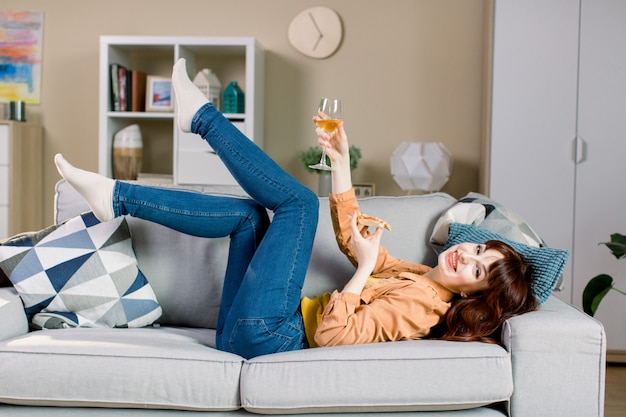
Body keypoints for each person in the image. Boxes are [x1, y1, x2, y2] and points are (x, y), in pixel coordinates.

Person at [55, 58, 537, 360]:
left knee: (299, 204)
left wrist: (364, 269)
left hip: (272, 337)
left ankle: (201, 119)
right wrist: (341, 165)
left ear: (472, 293)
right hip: (245, 333)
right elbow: (352, 237)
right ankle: (116, 196)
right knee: (249, 216)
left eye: (477, 270)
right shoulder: (418, 276)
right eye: (478, 251)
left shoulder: (422, 309)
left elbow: (332, 337)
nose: (466, 257)